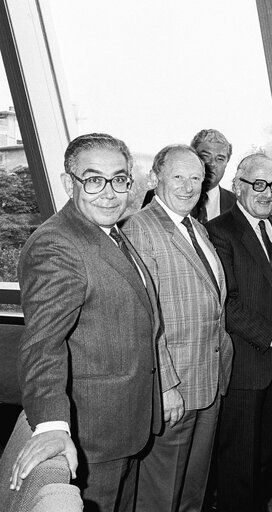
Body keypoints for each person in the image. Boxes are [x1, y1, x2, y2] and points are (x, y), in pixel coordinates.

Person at [12, 133, 163, 511]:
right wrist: (50, 426)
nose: (110, 193)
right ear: (69, 183)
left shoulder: (110, 231)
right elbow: (42, 344)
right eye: (94, 180)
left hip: (124, 422)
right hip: (92, 435)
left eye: (120, 179)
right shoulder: (57, 243)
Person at [121, 144, 233, 512]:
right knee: (160, 495)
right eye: (178, 177)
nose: (188, 187)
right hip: (175, 390)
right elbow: (143, 319)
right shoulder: (139, 228)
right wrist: (165, 386)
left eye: (196, 178)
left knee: (192, 493)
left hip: (208, 382)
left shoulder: (196, 228)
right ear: (155, 179)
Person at [206, 153, 272, 512]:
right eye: (258, 185)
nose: (267, 194)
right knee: (239, 465)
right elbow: (227, 303)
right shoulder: (218, 232)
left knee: (264, 458)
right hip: (245, 368)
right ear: (238, 186)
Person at [142, 129, 236, 221]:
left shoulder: (235, 202)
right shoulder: (158, 195)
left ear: (227, 162)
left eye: (220, 159)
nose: (212, 164)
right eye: (205, 156)